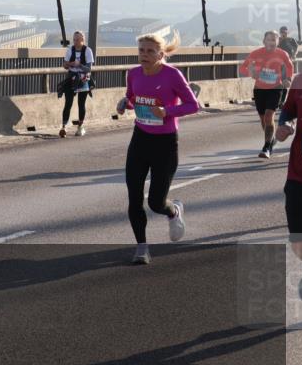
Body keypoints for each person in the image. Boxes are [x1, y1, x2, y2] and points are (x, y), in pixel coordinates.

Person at [115, 32, 200, 265]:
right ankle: (142, 247)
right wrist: (125, 104)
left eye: (150, 51)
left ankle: (173, 211)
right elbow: (132, 99)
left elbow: (194, 105)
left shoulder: (173, 75)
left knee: (155, 202)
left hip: (165, 143)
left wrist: (167, 112)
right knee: (134, 198)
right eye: (141, 50)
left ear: (161, 54)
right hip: (140, 139)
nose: (144, 54)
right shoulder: (133, 74)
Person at [271, 74, 302, 301]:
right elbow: (288, 111)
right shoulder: (301, 81)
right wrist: (283, 125)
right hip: (298, 173)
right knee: (297, 237)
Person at [239, 31, 295, 158]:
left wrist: (288, 79)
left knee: (269, 116)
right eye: (269, 40)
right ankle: (270, 140)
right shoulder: (256, 53)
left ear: (278, 42)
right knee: (263, 119)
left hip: (276, 88)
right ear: (264, 41)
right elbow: (242, 68)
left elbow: (290, 67)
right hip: (259, 89)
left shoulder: (282, 54)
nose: (271, 42)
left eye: (274, 40)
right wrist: (251, 72)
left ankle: (267, 147)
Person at [58, 31, 94, 137]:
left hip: (83, 79)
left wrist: (80, 65)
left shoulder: (88, 50)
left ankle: (80, 126)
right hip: (72, 77)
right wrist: (72, 64)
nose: (75, 42)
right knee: (68, 103)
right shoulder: (70, 50)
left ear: (82, 40)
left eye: (77, 39)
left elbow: (89, 69)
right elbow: (65, 65)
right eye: (74, 39)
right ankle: (64, 127)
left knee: (81, 104)